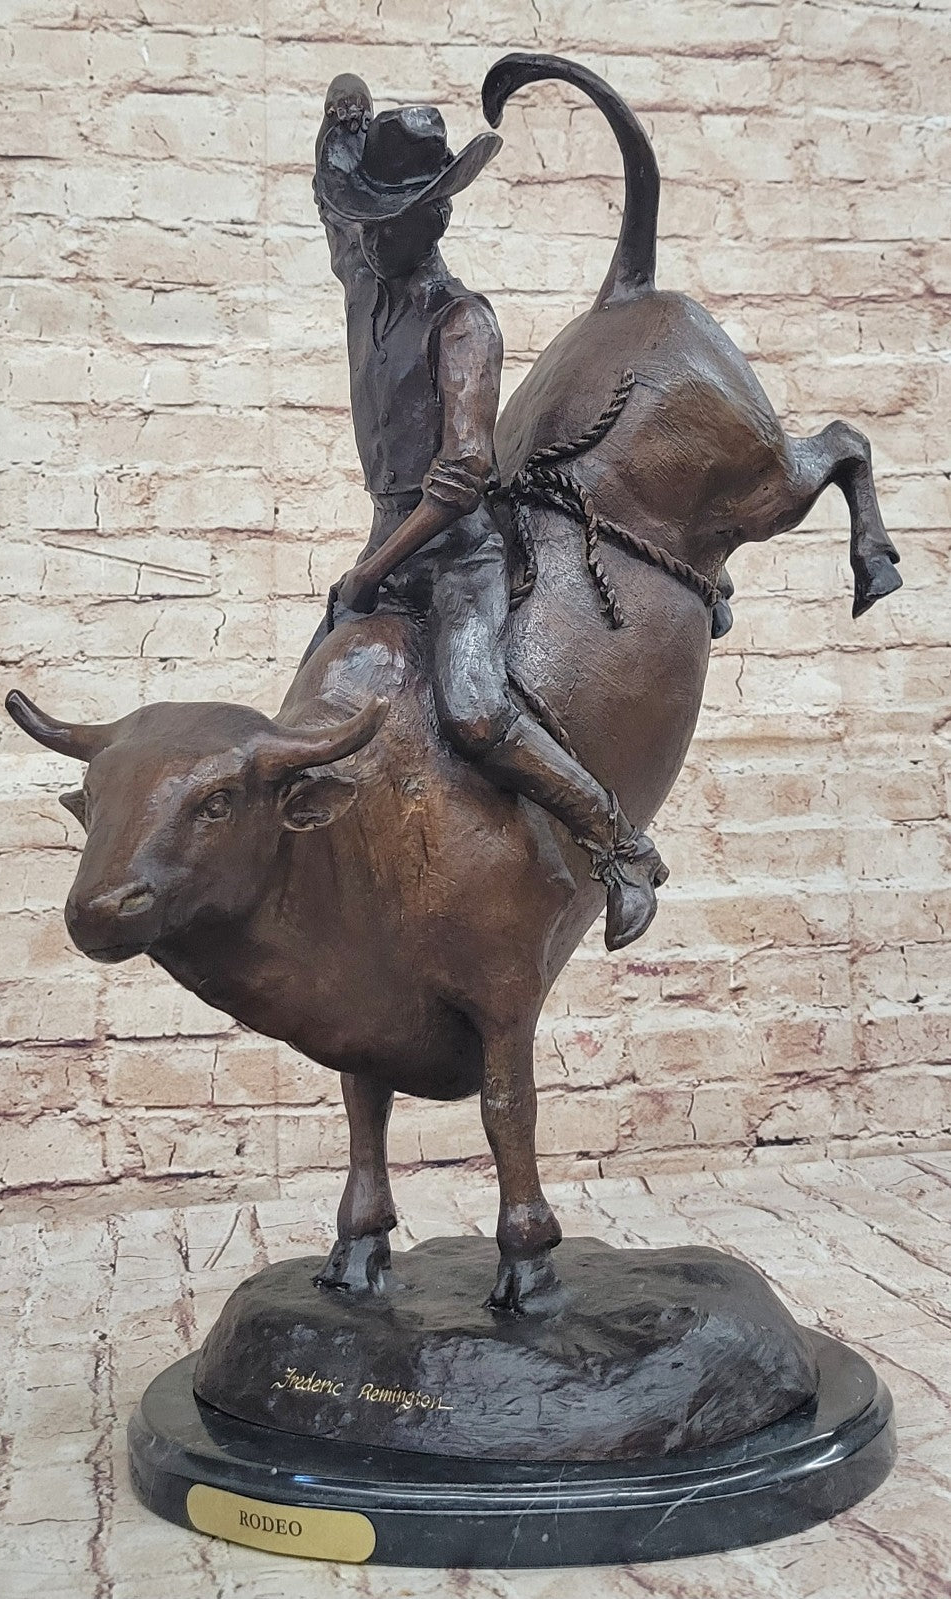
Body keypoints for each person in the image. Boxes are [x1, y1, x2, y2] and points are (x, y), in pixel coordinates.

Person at [308, 74, 667, 950]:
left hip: (453, 550)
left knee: (470, 706)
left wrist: (371, 570)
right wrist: (343, 112)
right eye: (368, 219)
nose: (370, 233)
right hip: (388, 535)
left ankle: (617, 842)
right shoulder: (364, 272)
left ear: (434, 219)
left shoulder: (461, 322)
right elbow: (329, 200)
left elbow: (461, 475)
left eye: (390, 220)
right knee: (321, 692)